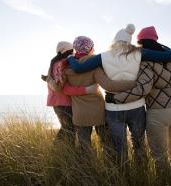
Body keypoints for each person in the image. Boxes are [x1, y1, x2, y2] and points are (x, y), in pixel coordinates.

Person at [67, 24, 171, 166]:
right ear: (130, 41)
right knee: (139, 145)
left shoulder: (103, 56)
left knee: (119, 148)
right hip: (137, 106)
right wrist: (158, 44)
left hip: (113, 108)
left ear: (114, 40)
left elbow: (78, 68)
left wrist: (70, 58)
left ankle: (124, 176)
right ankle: (140, 173)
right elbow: (168, 55)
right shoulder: (140, 52)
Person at [106, 26, 171, 176]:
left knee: (160, 157)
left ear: (140, 42)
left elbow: (143, 88)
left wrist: (116, 98)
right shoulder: (168, 55)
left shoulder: (145, 61)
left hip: (158, 113)